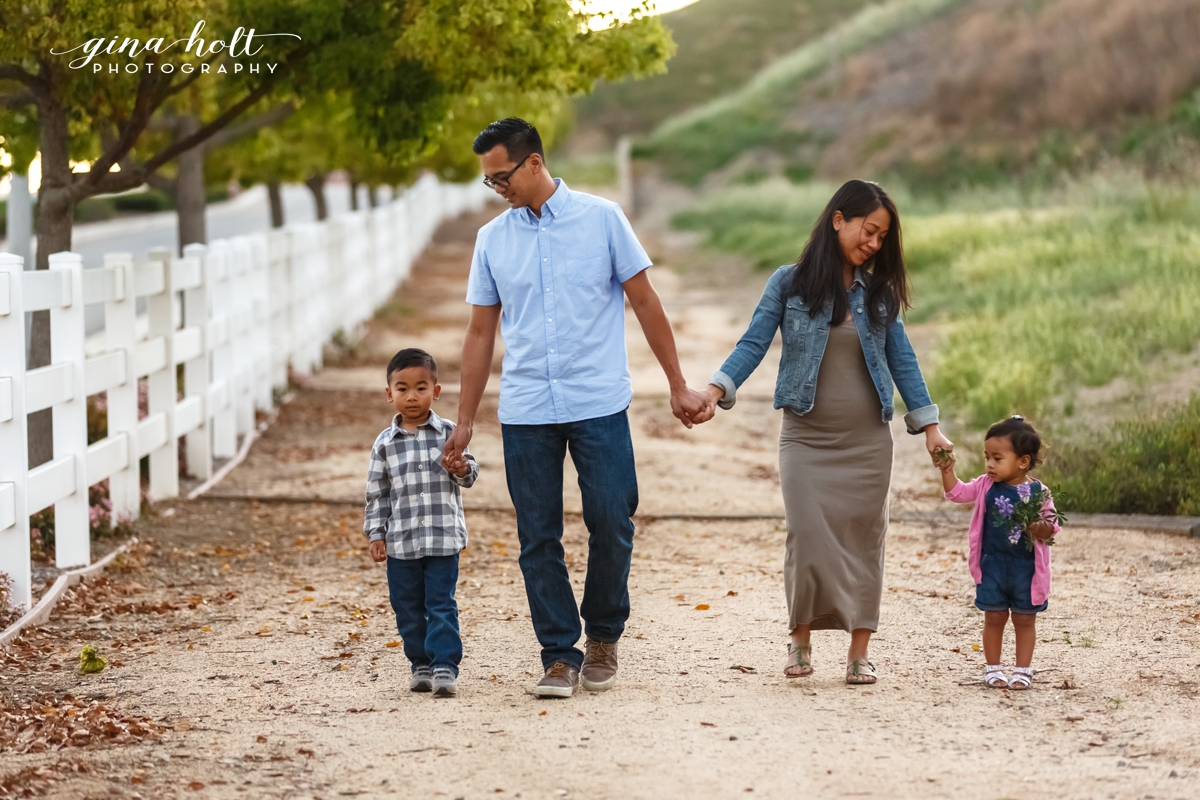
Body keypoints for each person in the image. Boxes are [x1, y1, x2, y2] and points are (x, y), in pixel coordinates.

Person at [442, 117, 710, 699]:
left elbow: (645, 300)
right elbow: (480, 334)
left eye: (502, 176)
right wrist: (464, 421)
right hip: (526, 407)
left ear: (534, 163)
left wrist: (678, 384)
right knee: (537, 538)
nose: (498, 188)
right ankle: (559, 654)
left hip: (597, 400)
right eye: (489, 182)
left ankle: (605, 635)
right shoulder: (493, 240)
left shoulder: (603, 218)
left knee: (612, 520)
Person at [703, 179, 953, 685]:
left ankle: (859, 651)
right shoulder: (788, 283)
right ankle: (800, 640)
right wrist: (716, 389)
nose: (874, 244)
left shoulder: (878, 294)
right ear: (838, 218)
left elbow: (901, 360)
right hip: (806, 437)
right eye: (869, 230)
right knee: (807, 536)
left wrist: (930, 426)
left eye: (883, 238)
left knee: (865, 540)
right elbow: (753, 343)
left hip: (866, 441)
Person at [365, 348, 479, 698]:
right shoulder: (384, 445)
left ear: (436, 391)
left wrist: (461, 469)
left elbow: (470, 473)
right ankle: (421, 663)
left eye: (420, 387)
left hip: (442, 540)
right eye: (402, 388)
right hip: (402, 543)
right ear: (389, 394)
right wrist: (375, 534)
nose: (411, 396)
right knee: (407, 606)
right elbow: (377, 494)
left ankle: (445, 664)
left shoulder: (449, 432)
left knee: (440, 602)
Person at [937, 415, 1062, 690]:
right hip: (991, 565)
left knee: (1024, 619)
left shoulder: (1038, 492)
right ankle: (993, 668)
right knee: (993, 616)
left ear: (1023, 461)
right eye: (987, 457)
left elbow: (1053, 527)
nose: (989, 464)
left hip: (1026, 570)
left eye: (997, 458)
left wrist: (1037, 526)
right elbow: (957, 493)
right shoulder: (984, 485)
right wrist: (947, 470)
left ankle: (1022, 670)